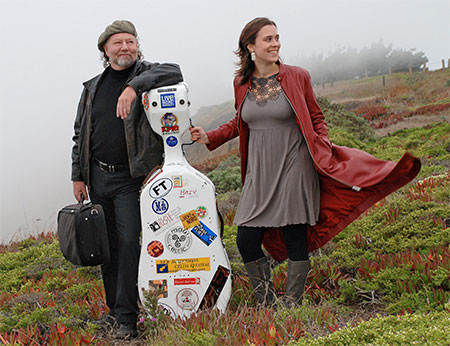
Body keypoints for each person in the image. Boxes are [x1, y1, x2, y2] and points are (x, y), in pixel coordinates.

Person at [189, 17, 420, 308]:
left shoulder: (297, 76)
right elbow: (239, 120)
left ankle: (291, 304)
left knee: (294, 235)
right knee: (246, 239)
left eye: (277, 38)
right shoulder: (241, 83)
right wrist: (208, 136)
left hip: (294, 165)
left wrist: (321, 149)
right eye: (268, 39)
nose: (275, 44)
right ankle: (266, 301)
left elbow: (317, 118)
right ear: (250, 46)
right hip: (258, 171)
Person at [71, 20, 183, 338]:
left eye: (130, 42)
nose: (125, 48)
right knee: (106, 248)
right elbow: (80, 134)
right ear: (105, 50)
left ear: (137, 47)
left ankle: (127, 319)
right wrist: (78, 176)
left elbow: (175, 71)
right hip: (98, 178)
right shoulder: (91, 87)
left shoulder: (146, 74)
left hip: (132, 179)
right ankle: (113, 311)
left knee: (128, 243)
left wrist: (134, 87)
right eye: (118, 43)